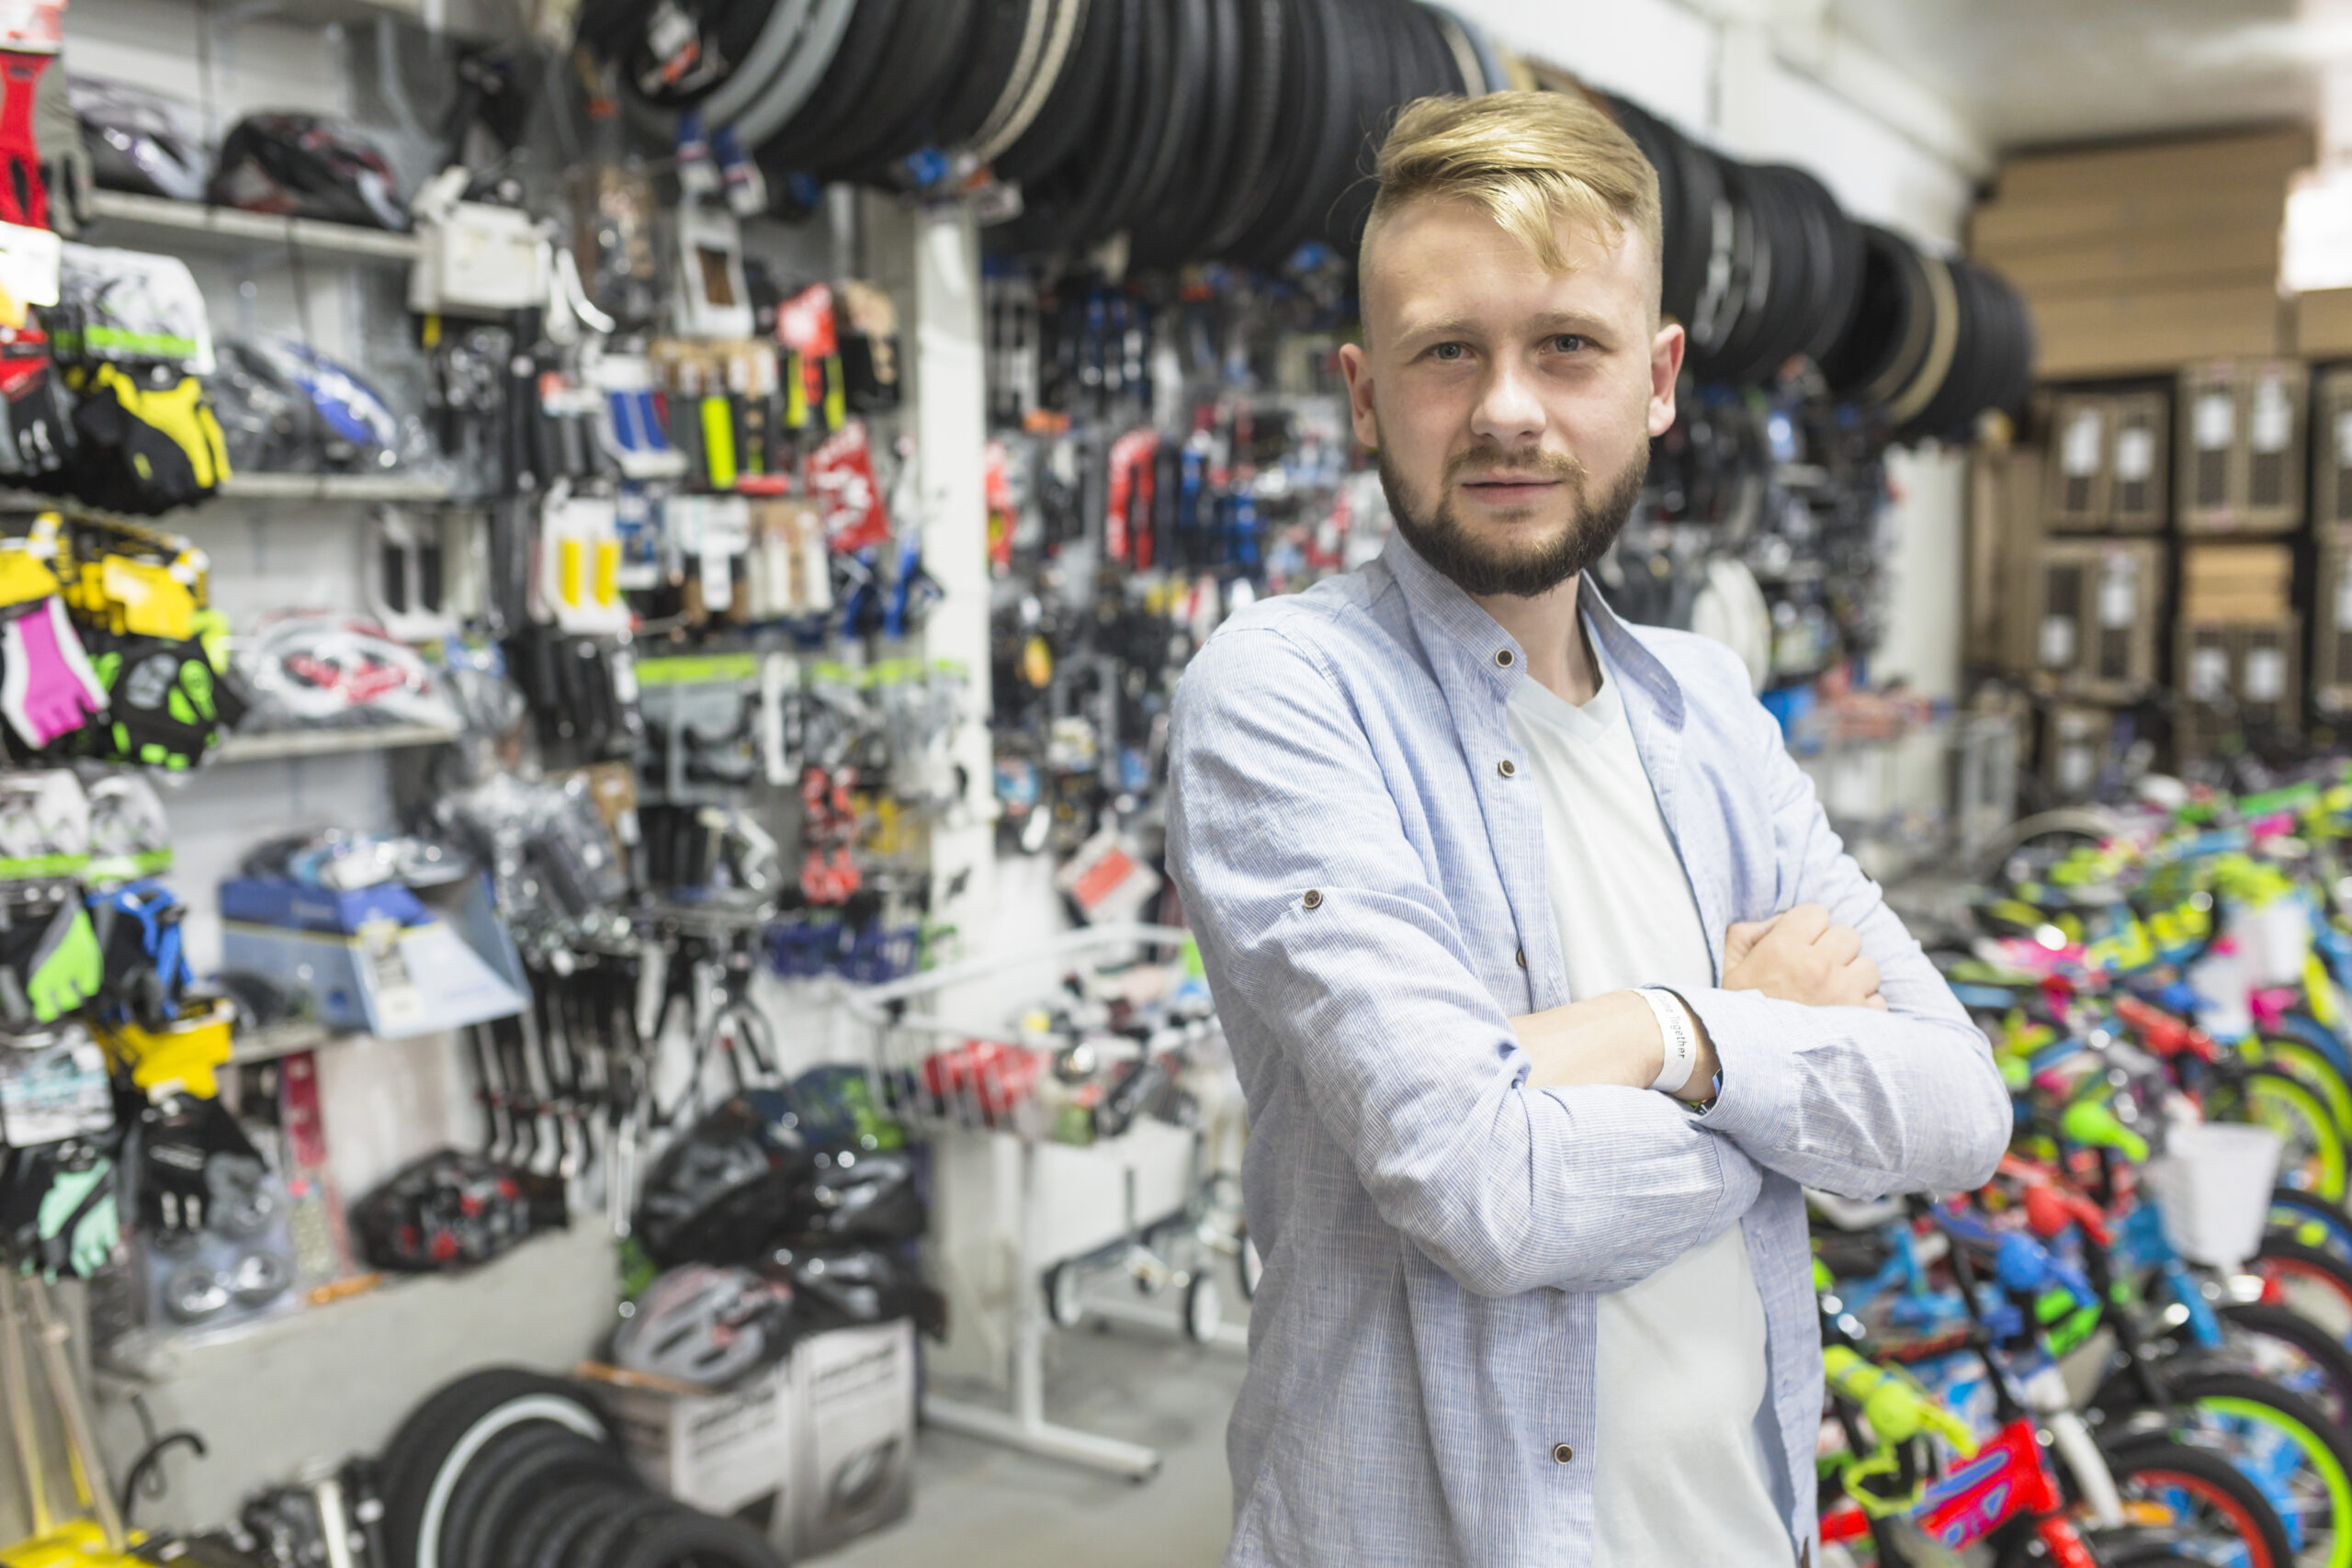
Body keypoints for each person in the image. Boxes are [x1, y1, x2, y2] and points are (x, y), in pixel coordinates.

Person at [1165, 90, 2009, 1568]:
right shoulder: (1287, 695)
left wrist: (1655, 1037)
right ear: (1365, 394)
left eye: (1566, 343)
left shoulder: (1709, 708)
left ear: (1660, 375)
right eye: (1447, 351)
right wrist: (1757, 1046)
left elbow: (1955, 1110)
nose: (1506, 407)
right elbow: (1491, 1194)